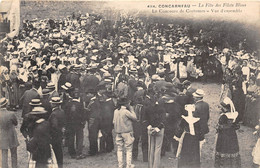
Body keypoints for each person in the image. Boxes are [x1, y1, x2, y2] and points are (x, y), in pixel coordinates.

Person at [215, 97, 241, 168]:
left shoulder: (223, 116)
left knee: (223, 149)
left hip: (223, 136)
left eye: (223, 107)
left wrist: (218, 127)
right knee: (232, 149)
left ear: (225, 108)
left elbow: (219, 127)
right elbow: (237, 126)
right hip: (232, 135)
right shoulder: (235, 115)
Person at [113, 98, 137, 168]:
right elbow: (135, 118)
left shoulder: (116, 111)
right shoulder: (126, 111)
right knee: (129, 149)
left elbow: (113, 121)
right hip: (127, 132)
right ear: (125, 104)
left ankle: (120, 165)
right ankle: (128, 165)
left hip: (118, 132)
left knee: (119, 149)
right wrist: (132, 110)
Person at [144, 95, 166, 168]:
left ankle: (150, 165)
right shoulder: (162, 109)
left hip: (150, 128)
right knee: (158, 148)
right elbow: (163, 121)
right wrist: (157, 129)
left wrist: (150, 127)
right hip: (159, 129)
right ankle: (155, 166)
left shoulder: (147, 108)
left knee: (151, 148)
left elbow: (145, 120)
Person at [64, 88, 86, 159]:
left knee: (71, 138)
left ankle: (72, 153)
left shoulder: (68, 104)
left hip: (70, 123)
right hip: (79, 123)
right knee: (80, 138)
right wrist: (83, 122)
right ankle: (79, 153)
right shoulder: (80, 104)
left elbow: (65, 114)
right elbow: (83, 114)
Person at [0, 98, 19, 168]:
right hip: (11, 135)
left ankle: (4, 166)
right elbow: (16, 123)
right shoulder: (11, 114)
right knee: (14, 153)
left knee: (4, 153)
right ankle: (14, 166)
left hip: (2, 135)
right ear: (6, 105)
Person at [49, 97, 66, 168]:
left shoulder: (54, 114)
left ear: (53, 104)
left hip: (55, 135)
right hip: (60, 134)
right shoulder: (62, 111)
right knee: (60, 151)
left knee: (56, 151)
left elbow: (54, 126)